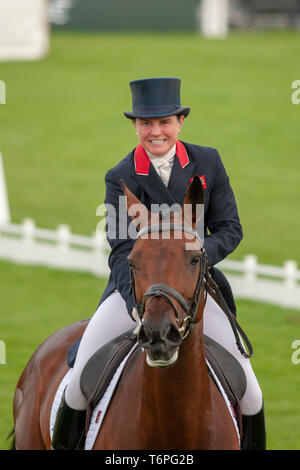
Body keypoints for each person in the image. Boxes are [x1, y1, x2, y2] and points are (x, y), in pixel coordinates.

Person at [52, 77, 266, 450]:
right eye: (146, 123)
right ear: (135, 126)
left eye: (164, 121)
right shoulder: (120, 177)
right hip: (136, 292)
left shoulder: (207, 162)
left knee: (252, 392)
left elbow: (230, 229)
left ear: (180, 122)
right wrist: (137, 305)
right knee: (77, 382)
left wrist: (193, 259)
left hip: (195, 292)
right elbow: (120, 249)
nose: (156, 132)